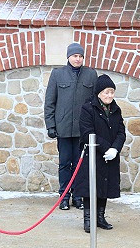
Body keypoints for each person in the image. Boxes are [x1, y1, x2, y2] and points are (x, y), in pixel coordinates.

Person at [44, 42, 97, 210]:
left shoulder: (91, 75)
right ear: (69, 57)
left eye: (80, 56)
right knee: (65, 164)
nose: (78, 59)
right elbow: (49, 102)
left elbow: (95, 102)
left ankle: (79, 196)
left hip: (83, 130)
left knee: (80, 164)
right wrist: (51, 125)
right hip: (64, 128)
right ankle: (64, 196)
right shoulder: (58, 74)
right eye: (75, 56)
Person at [73, 74, 126, 233]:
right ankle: (88, 219)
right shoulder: (88, 108)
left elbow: (121, 133)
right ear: (98, 93)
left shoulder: (116, 109)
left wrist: (115, 149)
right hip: (93, 155)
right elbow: (88, 132)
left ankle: (100, 217)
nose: (109, 95)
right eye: (106, 92)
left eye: (112, 92)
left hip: (110, 156)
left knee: (105, 185)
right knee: (90, 188)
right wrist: (105, 148)